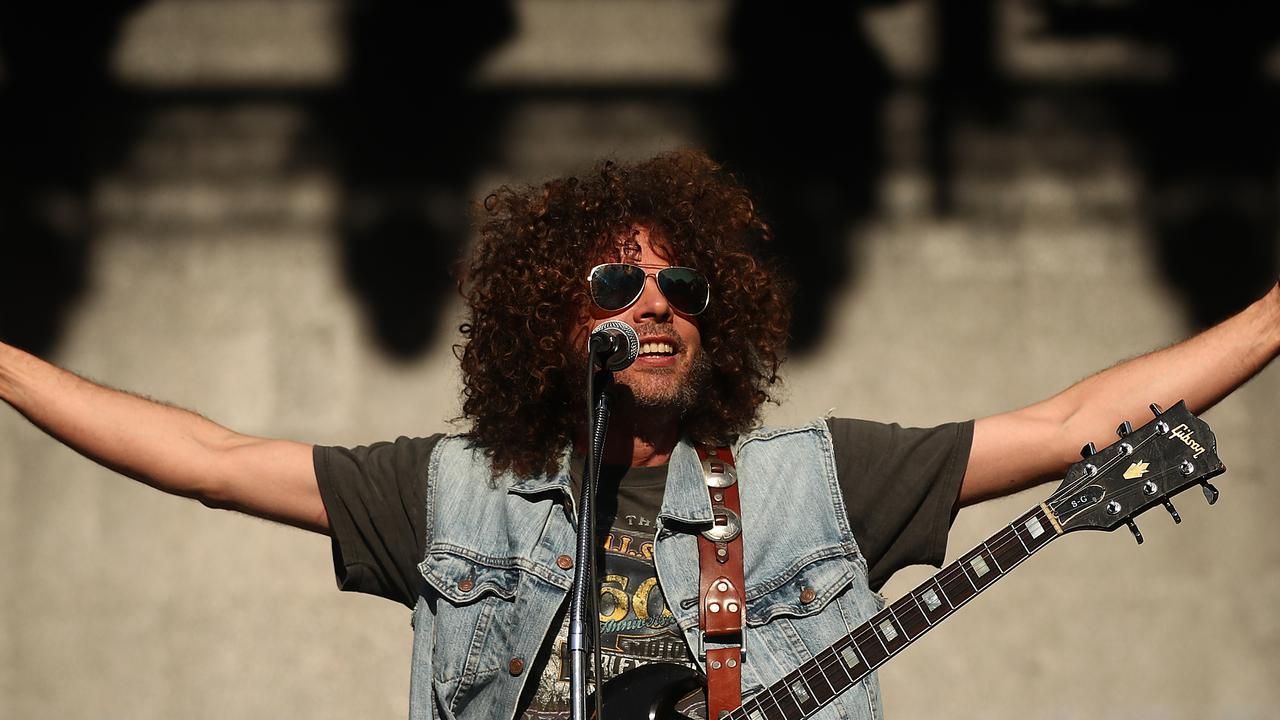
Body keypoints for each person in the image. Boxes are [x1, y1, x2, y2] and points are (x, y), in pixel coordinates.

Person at [1, 150, 1277, 720]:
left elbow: (1065, 429)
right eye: (615, 287)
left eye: (681, 289)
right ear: (552, 318)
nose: (653, 306)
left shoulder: (817, 486)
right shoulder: (455, 498)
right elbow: (213, 465)